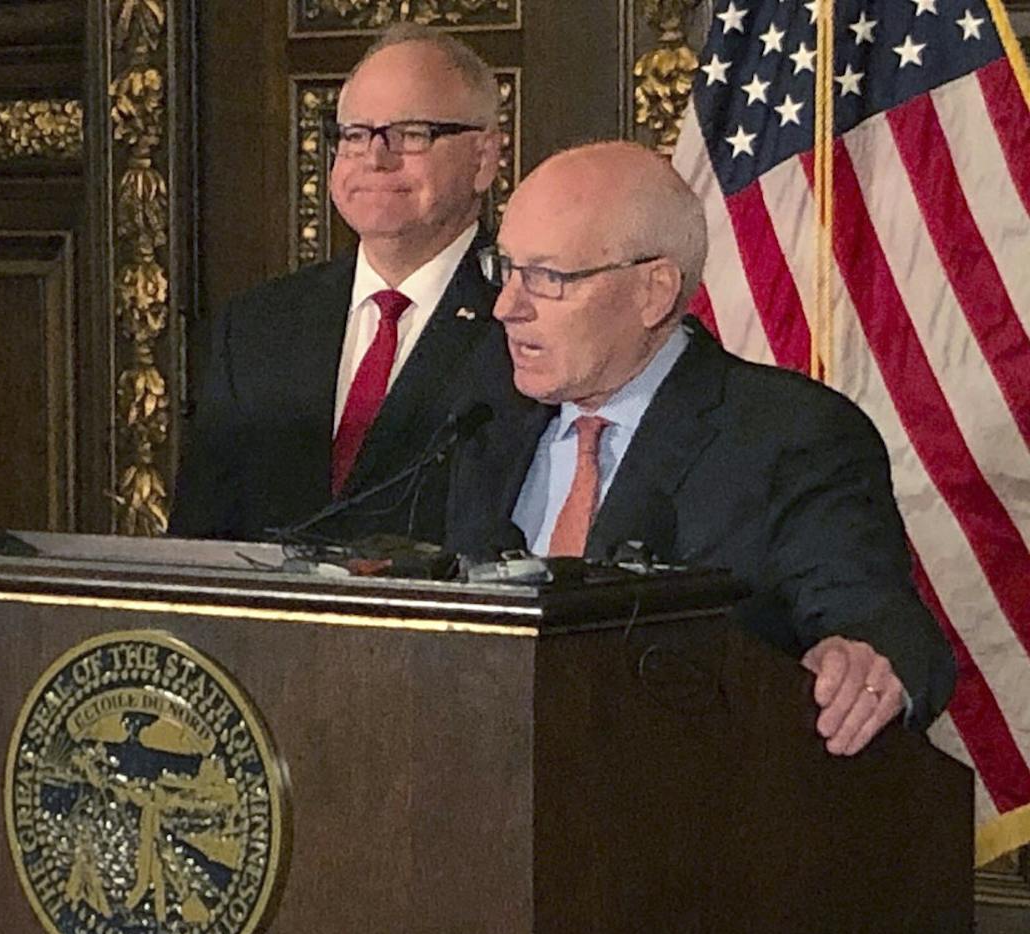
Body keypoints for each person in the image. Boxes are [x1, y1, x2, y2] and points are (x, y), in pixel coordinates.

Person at [448, 141, 955, 755]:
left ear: (654, 292)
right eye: (505, 269)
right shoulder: (480, 418)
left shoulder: (791, 435)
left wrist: (867, 661)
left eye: (548, 279)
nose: (508, 307)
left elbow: (872, 612)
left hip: (695, 810)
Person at [171, 24, 505, 543]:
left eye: (412, 134)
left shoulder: (524, 317)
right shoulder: (257, 326)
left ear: (483, 159)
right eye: (355, 135)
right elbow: (201, 538)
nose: (376, 158)